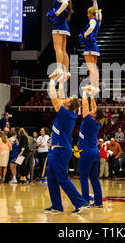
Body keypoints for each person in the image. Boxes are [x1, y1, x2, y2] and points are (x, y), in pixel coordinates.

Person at [44, 78, 88, 214]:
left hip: (61, 150)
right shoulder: (69, 112)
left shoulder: (65, 114)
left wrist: (52, 81)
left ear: (68, 104)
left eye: (67, 99)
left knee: (62, 178)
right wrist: (62, 81)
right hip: (55, 150)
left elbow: (54, 98)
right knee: (51, 178)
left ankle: (80, 203)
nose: (64, 98)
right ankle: (57, 206)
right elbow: (61, 97)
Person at [77, 88, 104, 207]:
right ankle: (98, 203)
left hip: (87, 152)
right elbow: (94, 109)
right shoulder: (98, 122)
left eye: (93, 111)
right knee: (94, 178)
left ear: (94, 114)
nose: (92, 110)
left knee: (83, 178)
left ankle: (85, 202)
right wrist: (92, 96)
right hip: (95, 153)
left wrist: (84, 93)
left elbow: (85, 108)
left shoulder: (88, 120)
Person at [48, 0, 73, 83]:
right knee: (63, 49)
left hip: (59, 25)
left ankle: (59, 69)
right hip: (64, 26)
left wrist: (57, 12)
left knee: (57, 47)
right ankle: (66, 71)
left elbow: (65, 3)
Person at [80, 6, 102, 94]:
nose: (87, 14)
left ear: (91, 13)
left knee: (91, 68)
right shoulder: (97, 21)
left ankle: (93, 86)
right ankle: (95, 86)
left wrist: (85, 34)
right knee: (93, 69)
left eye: (88, 12)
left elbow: (91, 28)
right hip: (94, 46)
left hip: (90, 47)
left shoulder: (92, 21)